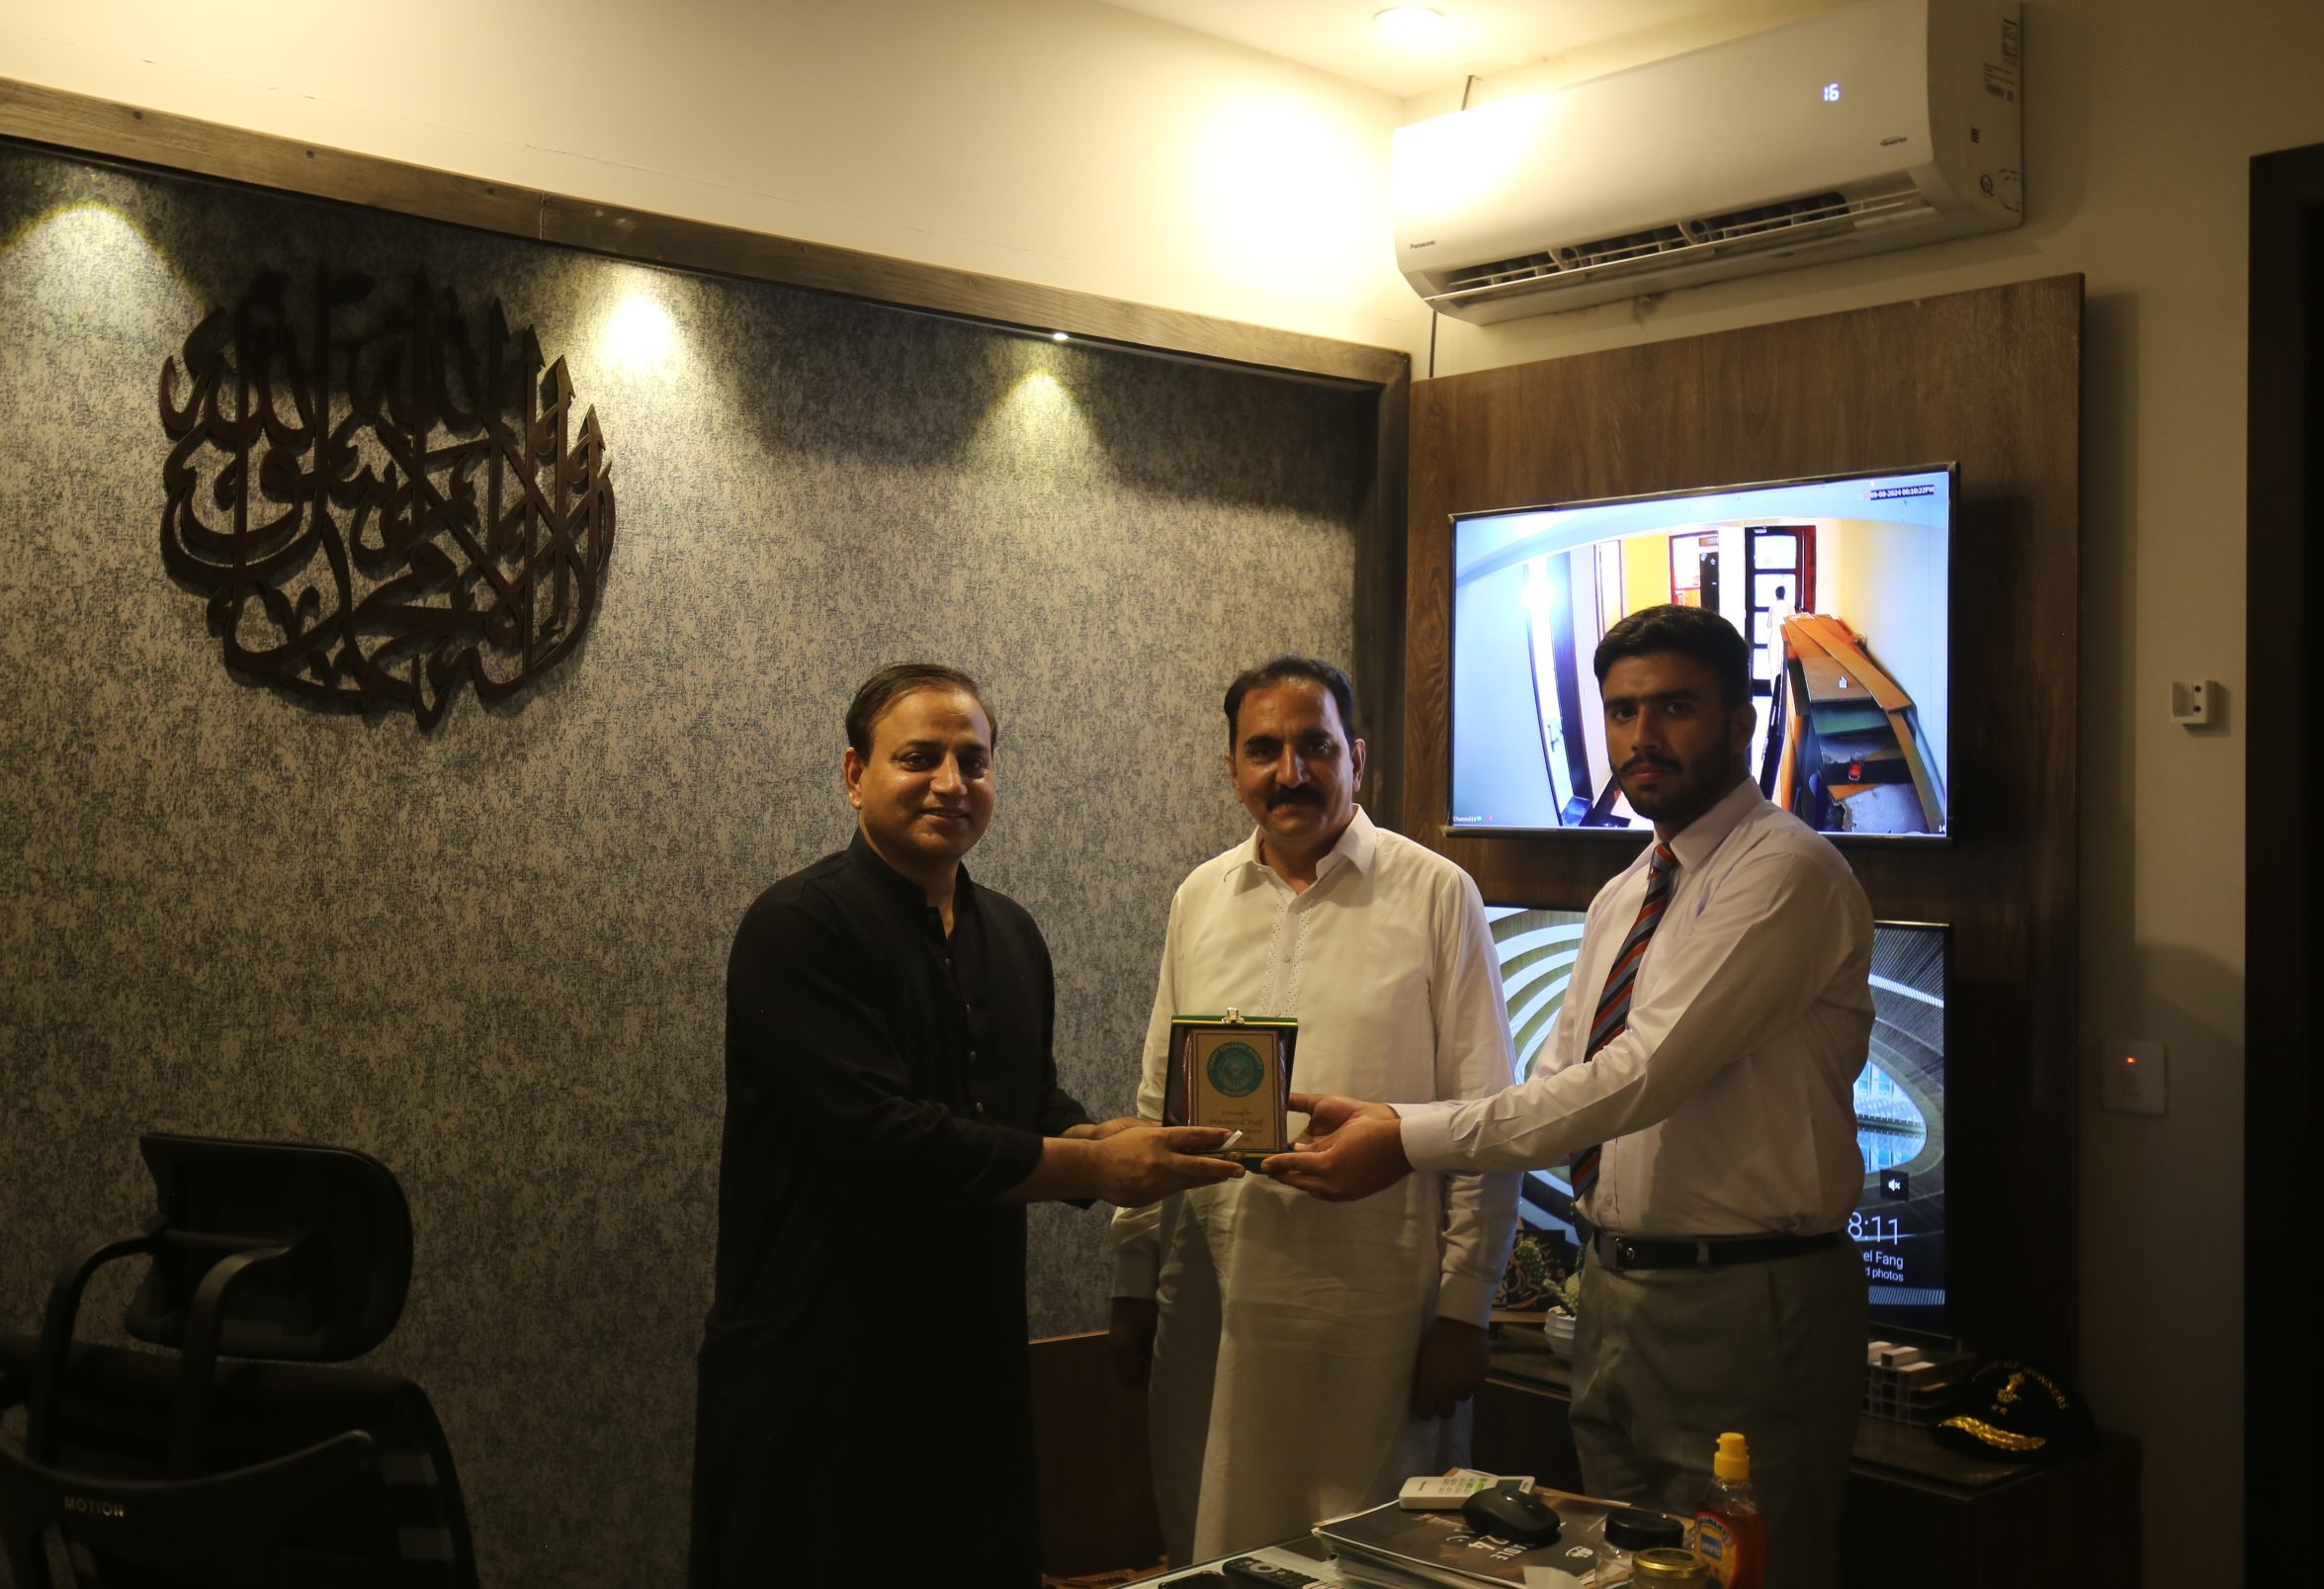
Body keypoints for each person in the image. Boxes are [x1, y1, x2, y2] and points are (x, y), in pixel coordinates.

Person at [1266, 608, 1875, 1589]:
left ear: (1739, 723)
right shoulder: (1627, 891)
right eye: (1622, 711)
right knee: (1623, 1572)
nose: (1642, 736)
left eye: (1674, 708)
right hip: (1615, 1290)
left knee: (1749, 1574)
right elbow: (1554, 1091)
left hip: (1749, 1301)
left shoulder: (1786, 871)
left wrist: (1406, 1137)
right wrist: (1400, 1130)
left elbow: (1638, 1077)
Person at [691, 662, 1243, 1589]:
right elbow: (885, 1137)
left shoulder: (1012, 933)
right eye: (919, 757)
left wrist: (1103, 1137)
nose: (951, 782)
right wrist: (1093, 1170)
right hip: (818, 1361)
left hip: (969, 1357)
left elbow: (1024, 1101)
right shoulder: (797, 929)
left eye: (973, 761)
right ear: (854, 773)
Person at [1105, 656, 1519, 1562]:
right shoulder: (1200, 896)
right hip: (1213, 1299)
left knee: (1368, 1548)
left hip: (1376, 1309)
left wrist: (1467, 1307)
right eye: (1263, 750)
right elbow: (1156, 1095)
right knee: (1216, 1536)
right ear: (1232, 769)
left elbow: (1487, 1115)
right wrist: (1135, 1272)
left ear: (1355, 758)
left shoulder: (1435, 892)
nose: (1289, 772)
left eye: (1314, 746)